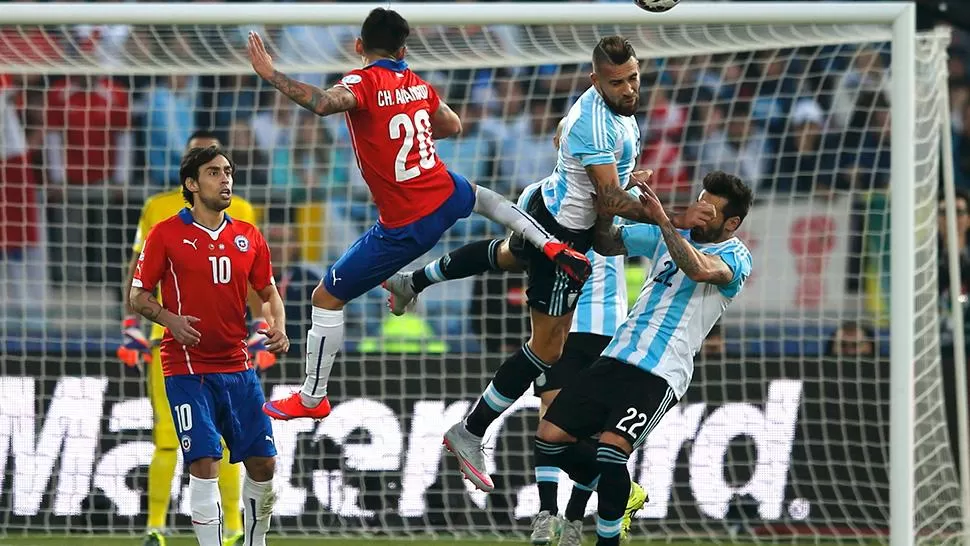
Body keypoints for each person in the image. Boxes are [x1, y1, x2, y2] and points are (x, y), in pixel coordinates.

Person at [384, 36, 706, 493]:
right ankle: (470, 432)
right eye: (617, 83)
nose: (630, 89)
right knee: (548, 349)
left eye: (633, 77)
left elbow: (605, 188)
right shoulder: (594, 124)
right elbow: (609, 198)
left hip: (546, 202)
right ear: (596, 81)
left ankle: (412, 280)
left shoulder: (619, 115)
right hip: (561, 234)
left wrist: (621, 197)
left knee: (509, 254)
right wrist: (668, 214)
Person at [246, 7, 590, 422]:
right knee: (482, 196)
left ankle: (312, 395)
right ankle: (550, 244)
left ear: (359, 47)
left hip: (405, 224)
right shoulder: (416, 83)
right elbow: (453, 125)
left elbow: (323, 103)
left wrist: (272, 75)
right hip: (442, 192)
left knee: (326, 297)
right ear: (403, 49)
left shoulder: (362, 80)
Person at [533, 171, 753, 546]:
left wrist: (665, 220)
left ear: (731, 222)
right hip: (616, 355)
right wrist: (607, 209)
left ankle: (607, 540)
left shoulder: (736, 255)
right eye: (699, 202)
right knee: (548, 439)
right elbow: (605, 243)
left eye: (710, 211)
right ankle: (621, 490)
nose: (700, 213)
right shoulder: (669, 235)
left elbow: (698, 269)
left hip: (660, 372)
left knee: (611, 451)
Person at [130, 146, 289, 546]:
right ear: (192, 184)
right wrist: (170, 320)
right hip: (187, 368)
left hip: (238, 365)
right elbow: (139, 295)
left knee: (263, 463)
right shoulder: (165, 233)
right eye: (215, 172)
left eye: (228, 171)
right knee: (203, 460)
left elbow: (268, 291)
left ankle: (254, 541)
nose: (226, 179)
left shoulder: (248, 235)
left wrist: (278, 326)